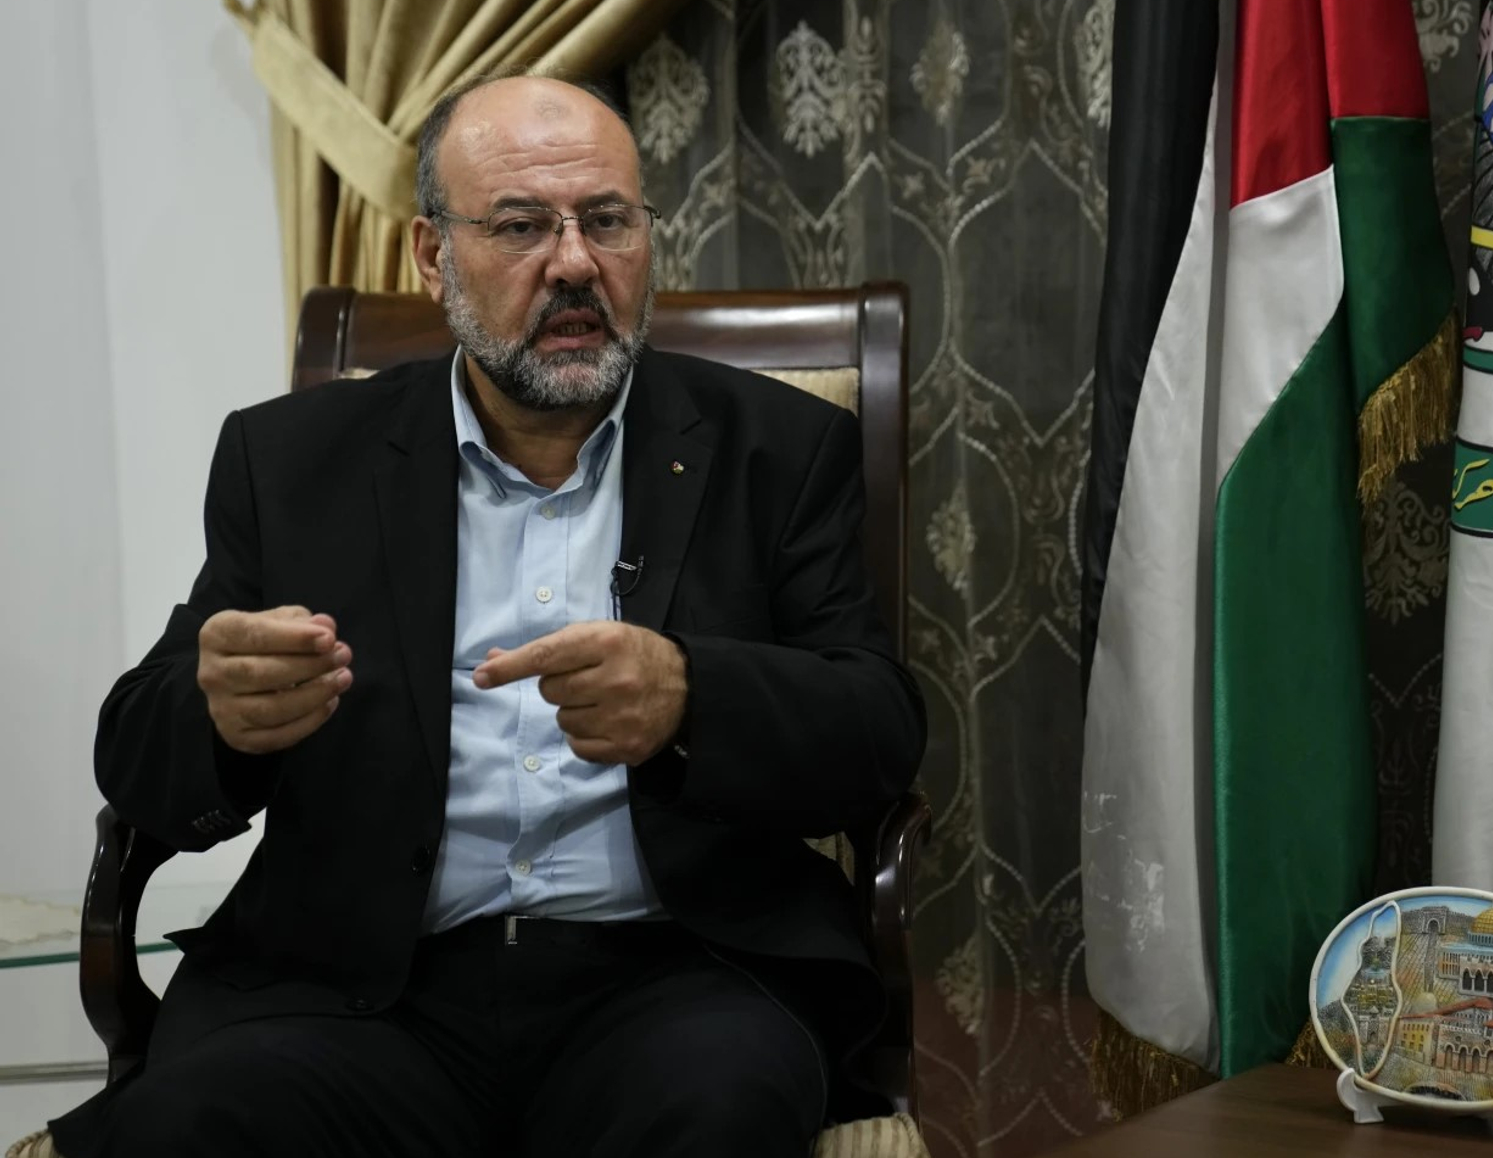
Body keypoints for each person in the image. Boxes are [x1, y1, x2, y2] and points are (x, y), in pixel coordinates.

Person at [48, 70, 925, 1158]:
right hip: (362, 994)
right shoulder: (294, 463)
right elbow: (138, 757)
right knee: (194, 1123)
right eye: (520, 226)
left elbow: (878, 731)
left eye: (608, 220)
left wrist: (693, 697)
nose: (575, 263)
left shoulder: (776, 449)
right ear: (431, 255)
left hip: (675, 978)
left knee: (720, 1104)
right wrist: (217, 717)